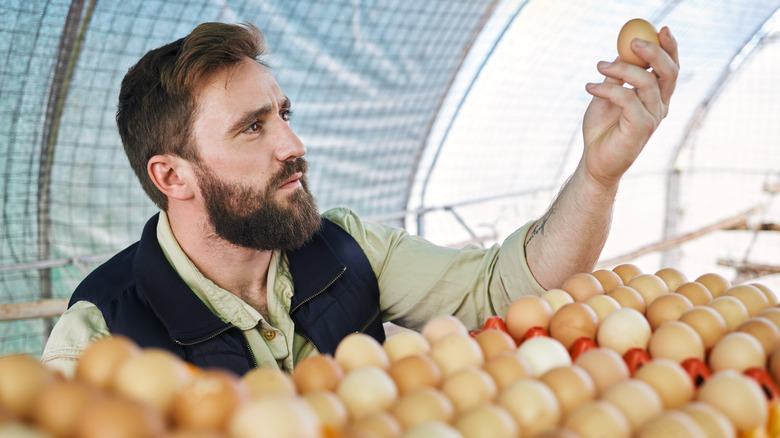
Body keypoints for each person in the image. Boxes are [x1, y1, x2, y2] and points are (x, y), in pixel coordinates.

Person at [41, 21, 679, 377]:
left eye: (283, 113)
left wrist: (598, 176)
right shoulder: (101, 340)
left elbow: (509, 289)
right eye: (252, 127)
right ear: (172, 176)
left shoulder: (346, 249)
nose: (294, 142)